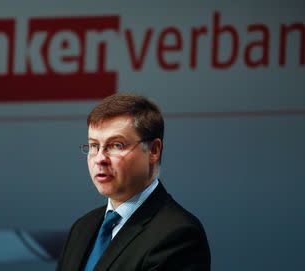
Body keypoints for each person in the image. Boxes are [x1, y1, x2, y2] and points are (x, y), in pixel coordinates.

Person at [56, 93, 210, 271]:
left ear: (153, 150)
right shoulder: (82, 228)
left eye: (116, 145)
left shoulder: (178, 234)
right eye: (94, 146)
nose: (100, 159)